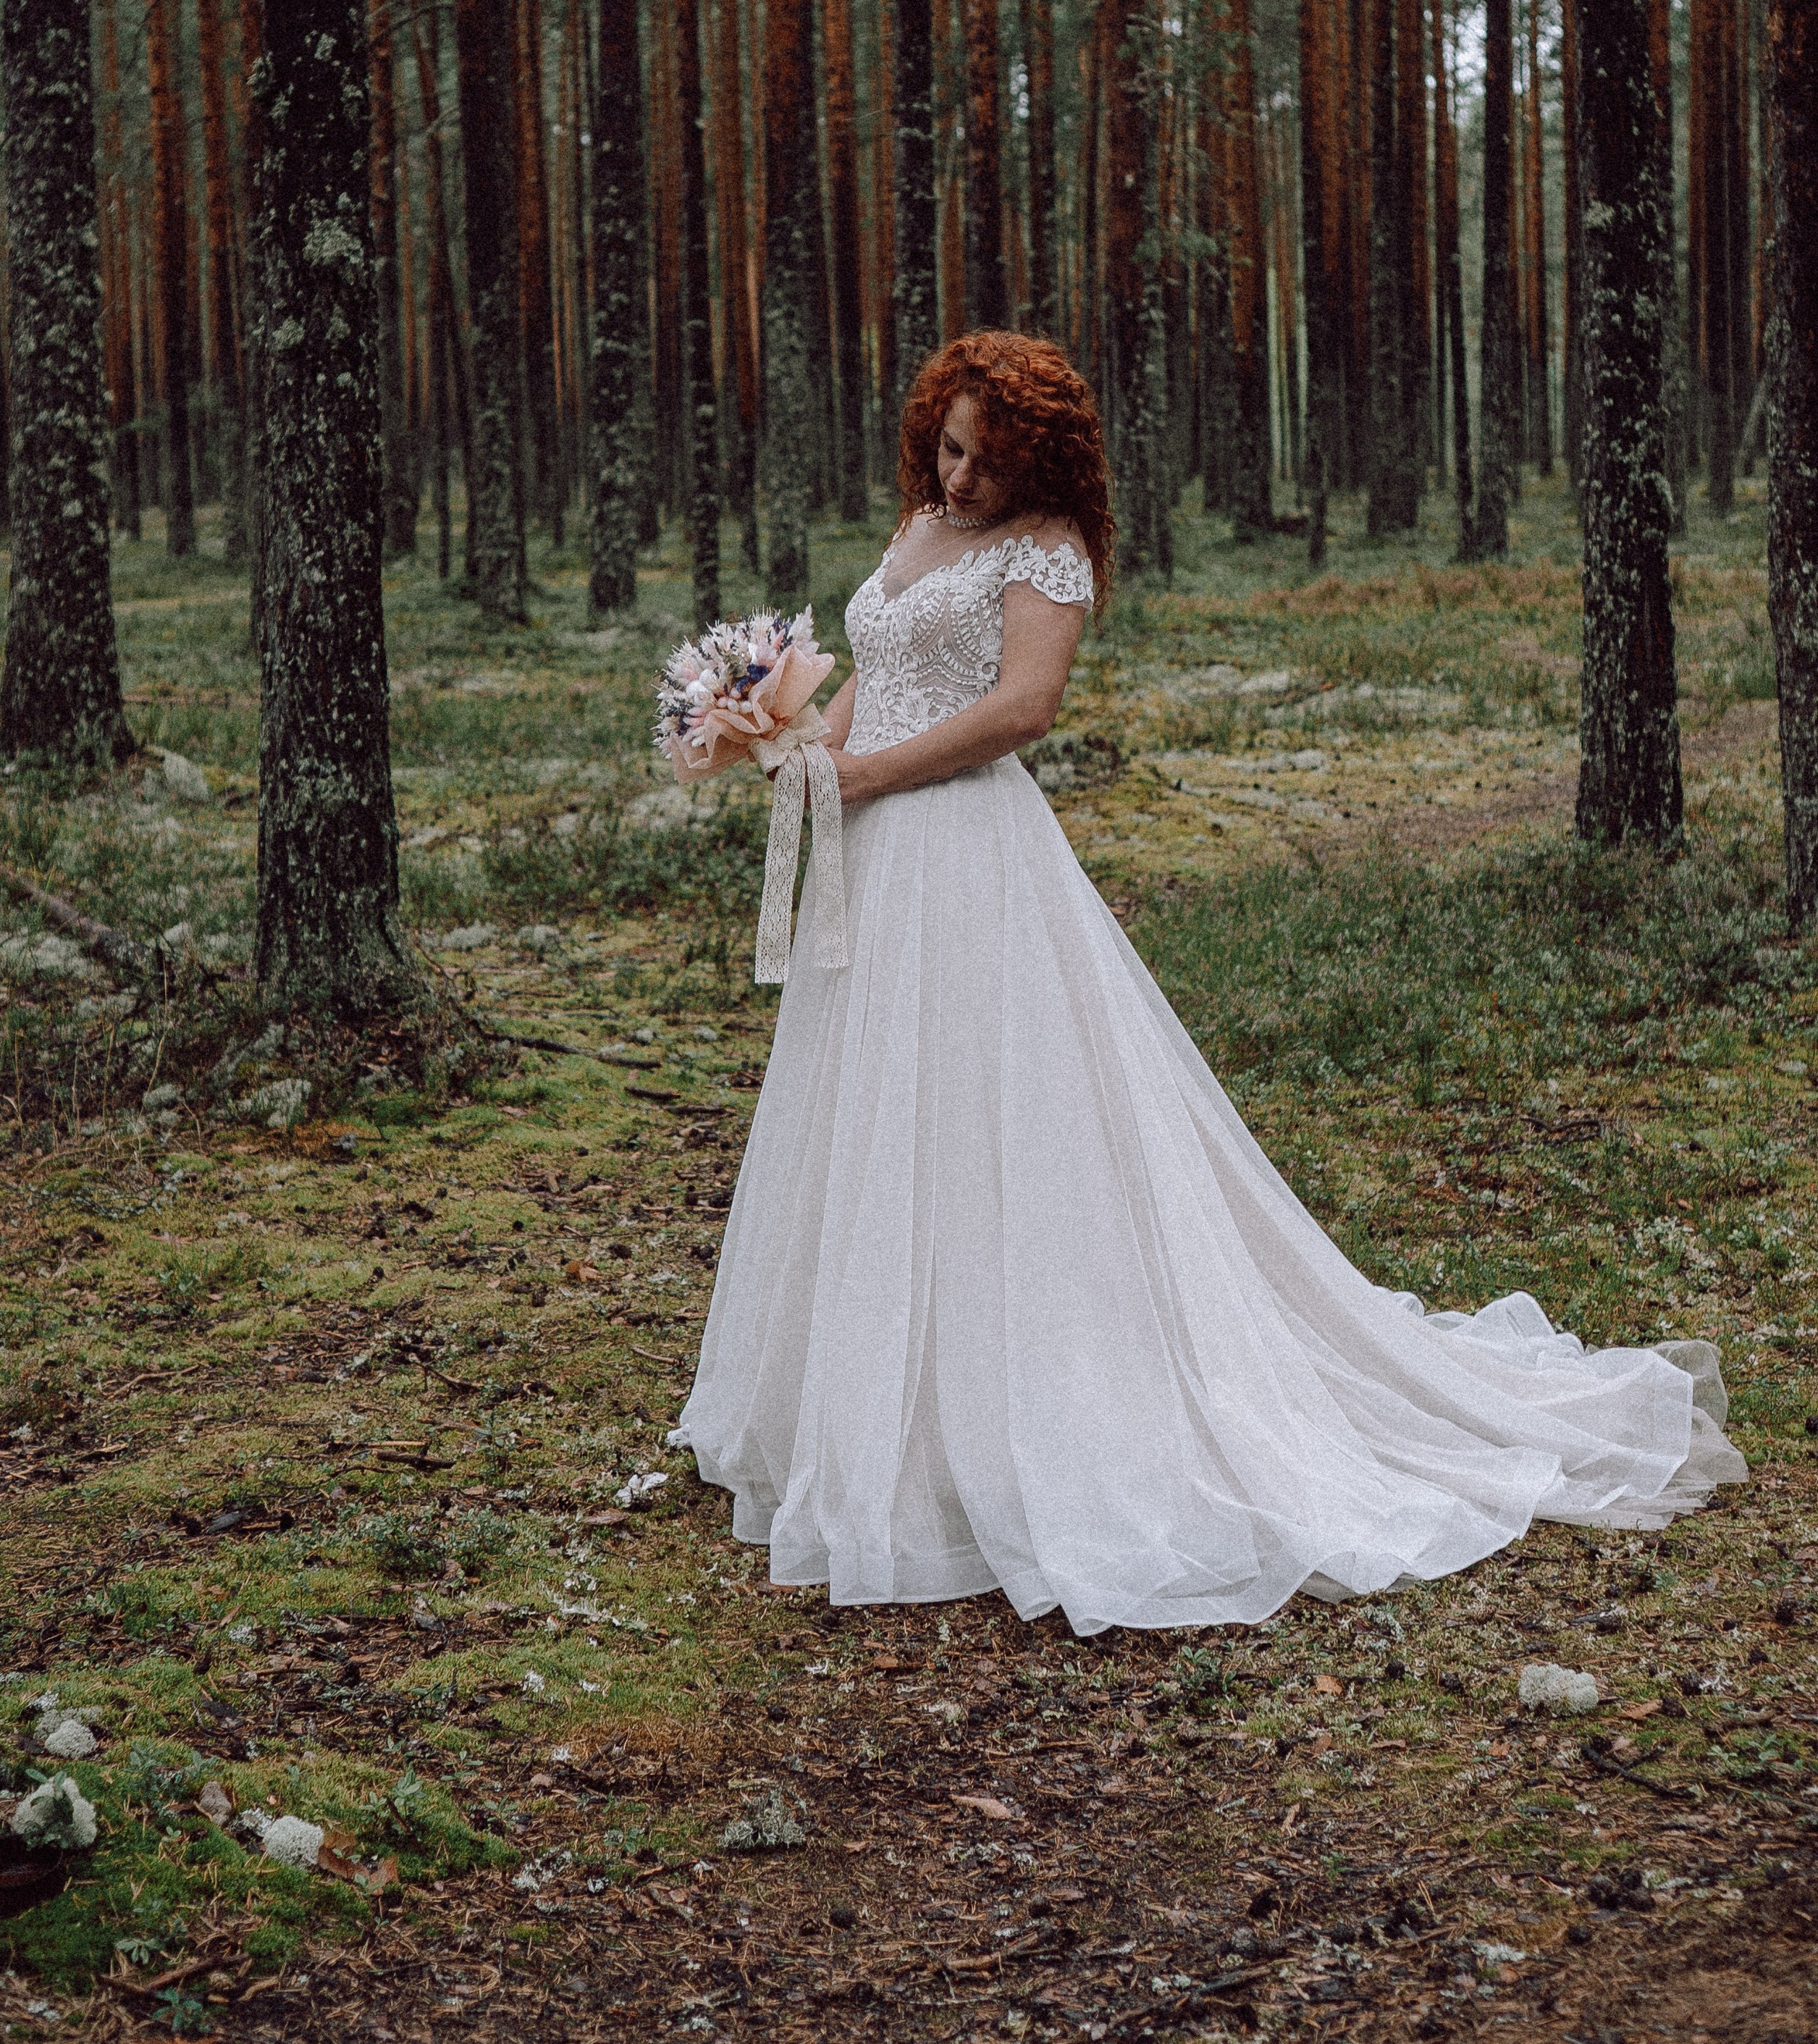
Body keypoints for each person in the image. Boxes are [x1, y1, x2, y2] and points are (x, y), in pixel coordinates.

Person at [678, 331, 1742, 1636]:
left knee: (996, 1120)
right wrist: (789, 744)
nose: (960, 482)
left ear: (1041, 464)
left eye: (989, 464)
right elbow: (879, 680)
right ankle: (868, 1414)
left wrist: (867, 779)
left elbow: (1022, 710)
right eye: (950, 451)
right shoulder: (919, 528)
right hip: (875, 868)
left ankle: (1018, 1415)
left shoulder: (1047, 549)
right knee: (875, 1115)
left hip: (968, 856)